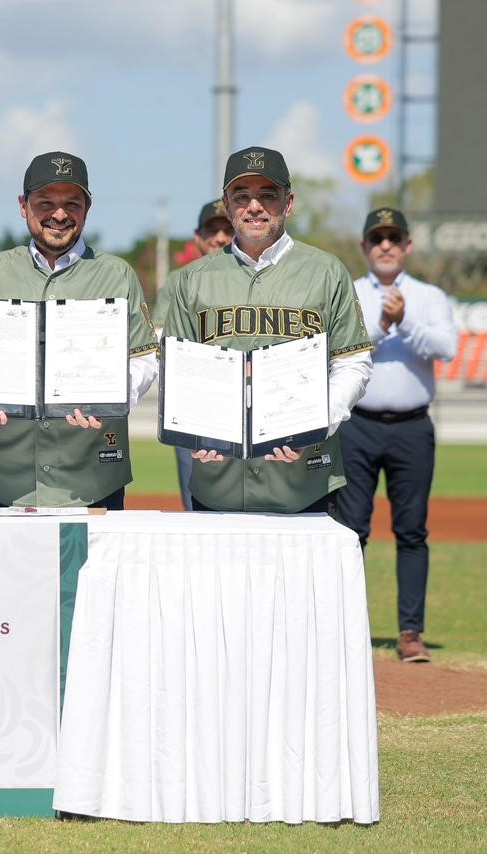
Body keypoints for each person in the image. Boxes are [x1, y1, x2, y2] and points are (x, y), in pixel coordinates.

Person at [163, 146, 373, 513]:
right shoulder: (192, 280)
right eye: (242, 196)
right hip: (218, 483)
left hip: (306, 483)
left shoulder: (327, 271)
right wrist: (195, 427)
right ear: (227, 205)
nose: (254, 206)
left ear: (288, 203)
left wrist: (318, 423)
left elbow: (353, 362)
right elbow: (179, 370)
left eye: (267, 196)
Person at [0, 151, 158, 509]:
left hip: (93, 477)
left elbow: (143, 358)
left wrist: (110, 398)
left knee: (93, 568)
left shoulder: (116, 273)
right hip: (10, 477)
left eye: (72, 203)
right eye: (45, 203)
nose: (59, 214)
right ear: (23, 205)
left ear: (88, 207)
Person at [336, 208, 458, 662]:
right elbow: (337, 348)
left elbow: (446, 348)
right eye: (377, 238)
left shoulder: (429, 296)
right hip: (358, 425)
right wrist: (383, 325)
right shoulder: (347, 293)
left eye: (394, 237)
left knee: (411, 531)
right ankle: (347, 630)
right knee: (351, 531)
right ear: (365, 247)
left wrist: (406, 320)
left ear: (407, 246)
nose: (385, 245)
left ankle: (410, 633)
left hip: (412, 427)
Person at [153, 200, 235, 511]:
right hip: (194, 409)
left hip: (245, 409)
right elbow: (161, 341)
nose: (220, 238)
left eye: (227, 229)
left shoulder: (251, 277)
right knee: (196, 509)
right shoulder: (179, 281)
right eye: (212, 230)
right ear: (197, 236)